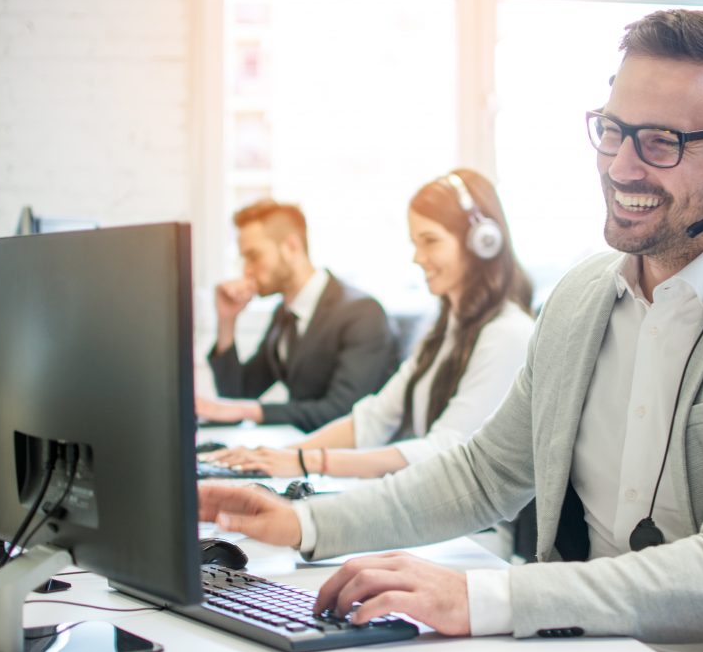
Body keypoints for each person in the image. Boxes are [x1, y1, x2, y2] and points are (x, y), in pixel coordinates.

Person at [198, 11, 703, 652]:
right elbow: (482, 475)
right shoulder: (584, 296)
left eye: (662, 142)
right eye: (612, 130)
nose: (620, 166)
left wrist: (480, 597)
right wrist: (304, 522)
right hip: (593, 648)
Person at [202, 170, 535, 478]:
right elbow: (374, 417)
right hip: (436, 508)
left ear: (484, 241)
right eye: (415, 244)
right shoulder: (445, 332)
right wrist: (272, 457)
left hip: (482, 535)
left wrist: (306, 461)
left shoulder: (506, 335)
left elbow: (445, 451)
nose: (417, 258)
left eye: (430, 241)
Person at [197, 199, 399, 431]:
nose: (247, 270)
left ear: (291, 247)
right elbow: (237, 395)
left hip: (343, 459)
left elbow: (343, 411)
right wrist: (226, 321)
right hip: (300, 448)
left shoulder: (361, 313)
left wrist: (251, 411)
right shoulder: (284, 315)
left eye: (253, 256)